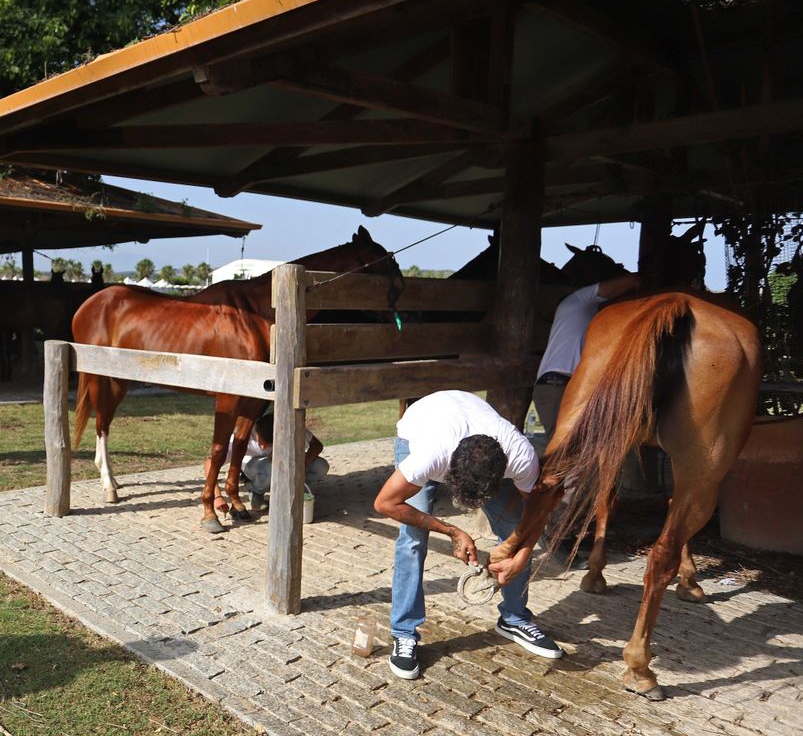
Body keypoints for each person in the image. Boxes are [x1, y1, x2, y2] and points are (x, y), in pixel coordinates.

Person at [372, 390, 561, 681]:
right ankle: (404, 631)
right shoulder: (428, 455)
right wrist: (452, 530)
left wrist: (521, 557)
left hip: (471, 422)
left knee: (512, 524)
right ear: (449, 473)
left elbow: (537, 512)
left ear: (502, 475)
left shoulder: (520, 456)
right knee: (413, 539)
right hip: (421, 423)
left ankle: (514, 618)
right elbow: (385, 503)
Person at [532, 273, 641, 434]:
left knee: (572, 450)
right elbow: (632, 281)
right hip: (558, 385)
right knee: (563, 451)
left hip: (563, 385)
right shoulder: (575, 301)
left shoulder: (590, 318)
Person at [240, 411, 329, 513]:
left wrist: (304, 463)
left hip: (282, 464)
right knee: (271, 467)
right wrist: (218, 496)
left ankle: (295, 488)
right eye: (261, 442)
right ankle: (256, 492)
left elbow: (317, 445)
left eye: (269, 444)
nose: (263, 447)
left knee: (321, 466)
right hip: (253, 467)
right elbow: (218, 461)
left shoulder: (289, 428)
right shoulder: (246, 431)